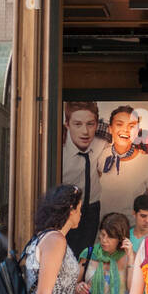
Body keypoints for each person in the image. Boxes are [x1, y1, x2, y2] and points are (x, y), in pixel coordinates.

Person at [97, 105, 148, 222]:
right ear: (110, 128)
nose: (125, 130)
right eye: (119, 124)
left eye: (131, 126)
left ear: (137, 131)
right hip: (104, 230)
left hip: (132, 231)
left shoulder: (147, 162)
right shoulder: (101, 155)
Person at [62, 101, 107, 259]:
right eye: (77, 124)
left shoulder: (102, 142)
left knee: (87, 256)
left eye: (90, 124)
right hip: (66, 210)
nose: (85, 131)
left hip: (92, 209)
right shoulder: (58, 150)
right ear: (67, 124)